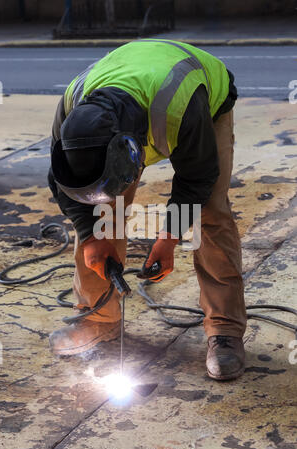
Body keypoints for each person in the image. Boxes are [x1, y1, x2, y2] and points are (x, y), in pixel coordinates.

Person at [48, 39, 246, 381]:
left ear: (130, 152)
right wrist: (90, 234)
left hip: (201, 100)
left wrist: (168, 240)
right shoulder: (71, 110)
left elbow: (196, 180)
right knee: (100, 216)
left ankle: (224, 331)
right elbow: (63, 184)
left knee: (210, 213)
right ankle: (98, 317)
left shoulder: (179, 107)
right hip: (137, 96)